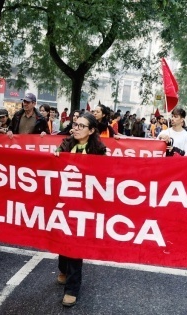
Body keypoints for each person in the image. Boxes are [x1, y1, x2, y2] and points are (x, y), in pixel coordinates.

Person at [53, 113, 107, 307]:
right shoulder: (66, 144)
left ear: (91, 131)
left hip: (85, 205)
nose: (75, 128)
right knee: (61, 239)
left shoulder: (100, 151)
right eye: (75, 124)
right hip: (64, 201)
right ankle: (64, 269)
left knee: (75, 244)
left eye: (81, 126)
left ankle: (72, 289)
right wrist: (55, 156)